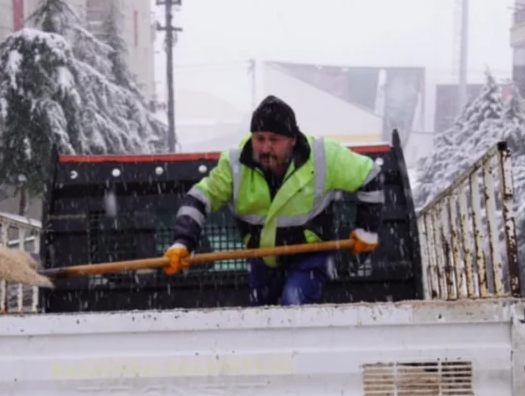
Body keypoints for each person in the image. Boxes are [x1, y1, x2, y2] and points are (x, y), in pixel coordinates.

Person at [163, 95, 384, 306]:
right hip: (262, 260)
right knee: (262, 320)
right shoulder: (234, 165)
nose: (265, 147)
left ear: (293, 140)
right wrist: (183, 242)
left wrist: (367, 230)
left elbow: (370, 176)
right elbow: (200, 198)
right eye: (259, 139)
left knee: (293, 303)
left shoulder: (324, 157)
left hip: (311, 257)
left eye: (274, 140)